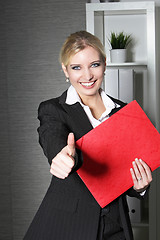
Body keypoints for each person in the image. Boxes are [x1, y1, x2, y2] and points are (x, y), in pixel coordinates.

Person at [24, 31, 152, 240]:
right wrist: (61, 157)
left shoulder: (123, 111)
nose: (87, 76)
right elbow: (51, 136)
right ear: (65, 71)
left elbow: (124, 170)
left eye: (94, 65)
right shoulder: (53, 109)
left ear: (104, 65)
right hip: (69, 225)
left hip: (116, 225)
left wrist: (140, 186)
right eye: (76, 67)